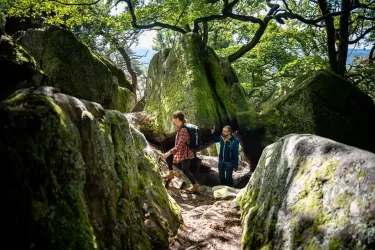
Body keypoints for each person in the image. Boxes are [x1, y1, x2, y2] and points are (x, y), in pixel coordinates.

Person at [161, 111, 199, 192]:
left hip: (186, 153)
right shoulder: (181, 128)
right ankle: (171, 174)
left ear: (177, 119)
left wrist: (168, 153)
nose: (173, 120)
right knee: (176, 163)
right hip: (182, 152)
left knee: (185, 169)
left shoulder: (183, 130)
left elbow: (179, 146)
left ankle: (195, 185)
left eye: (173, 118)